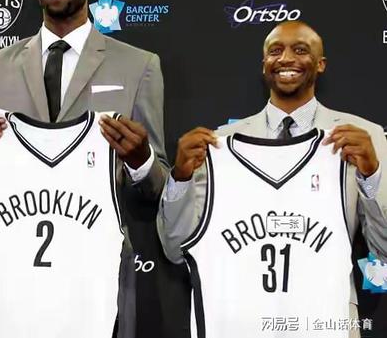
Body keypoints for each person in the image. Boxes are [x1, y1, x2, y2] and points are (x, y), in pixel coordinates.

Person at [0, 0, 169, 338]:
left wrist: (141, 161)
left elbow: (160, 187)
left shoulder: (139, 65)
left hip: (95, 273)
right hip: (10, 275)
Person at [158, 20, 387, 338]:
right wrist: (180, 178)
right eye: (276, 51)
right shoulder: (219, 145)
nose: (286, 58)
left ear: (321, 64)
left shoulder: (361, 137)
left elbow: (384, 248)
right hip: (238, 319)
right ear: (264, 63)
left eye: (301, 50)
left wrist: (371, 174)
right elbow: (175, 247)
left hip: (325, 319)